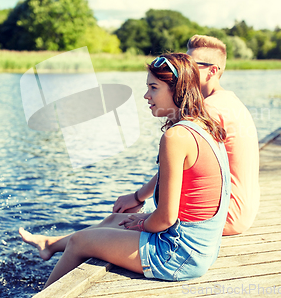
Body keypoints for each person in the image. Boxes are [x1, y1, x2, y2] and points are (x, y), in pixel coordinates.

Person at [20, 53, 231, 289]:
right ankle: (50, 244)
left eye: (153, 87)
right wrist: (141, 211)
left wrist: (143, 223)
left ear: (178, 90)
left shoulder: (176, 137)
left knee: (81, 242)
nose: (146, 95)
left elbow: (166, 218)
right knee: (114, 219)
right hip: (202, 247)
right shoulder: (204, 124)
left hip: (179, 255)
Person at [114, 35, 260, 235]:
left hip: (223, 214)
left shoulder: (210, 110)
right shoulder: (229, 100)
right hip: (240, 210)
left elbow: (174, 166)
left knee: (125, 216)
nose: (186, 69)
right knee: (121, 217)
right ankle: (61, 244)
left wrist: (138, 197)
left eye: (193, 64)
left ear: (212, 71)